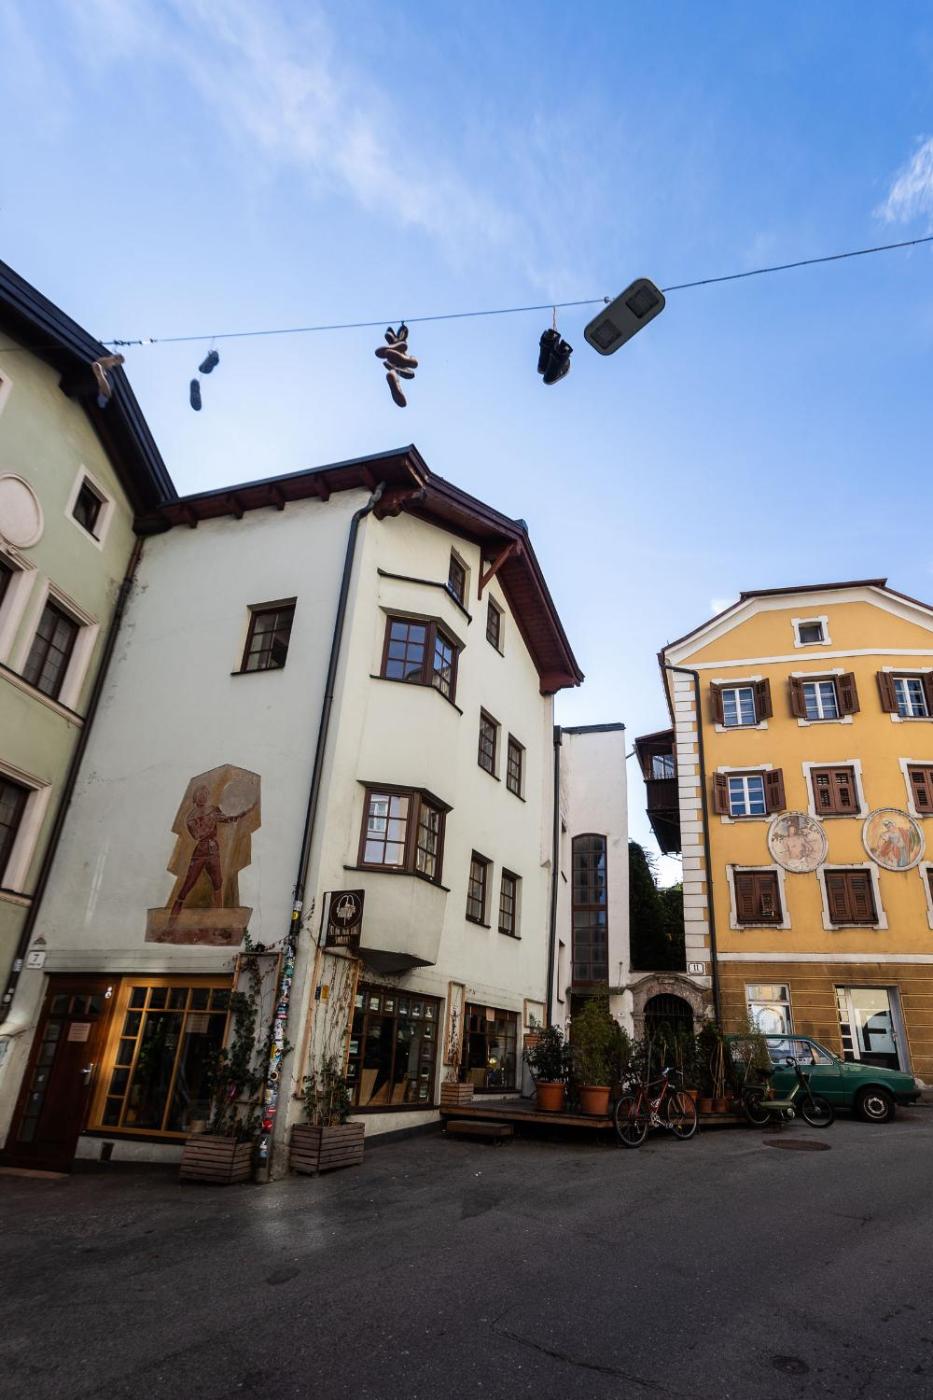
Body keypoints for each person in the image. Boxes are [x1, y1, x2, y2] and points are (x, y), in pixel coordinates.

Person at [169, 784, 252, 920]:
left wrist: (243, 812)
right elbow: (197, 835)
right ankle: (172, 919)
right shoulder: (191, 817)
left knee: (218, 882)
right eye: (200, 794)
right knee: (188, 884)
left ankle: (219, 916)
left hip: (214, 851)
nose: (203, 797)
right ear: (195, 797)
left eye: (205, 794)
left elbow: (228, 818)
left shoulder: (213, 810)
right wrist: (210, 819)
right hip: (200, 852)